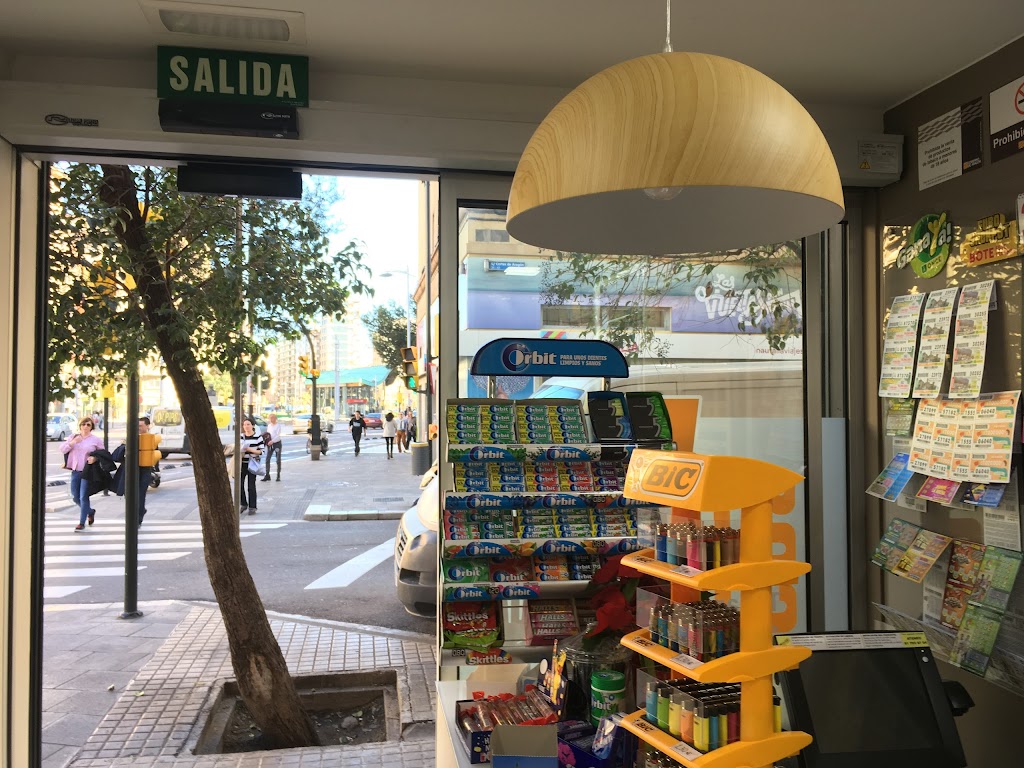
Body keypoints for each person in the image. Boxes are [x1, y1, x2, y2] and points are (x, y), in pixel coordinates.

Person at [113, 416, 161, 526]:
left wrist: (155, 470)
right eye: (137, 425)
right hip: (130, 470)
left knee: (140, 494)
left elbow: (154, 455)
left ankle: (137, 519)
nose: (138, 428)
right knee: (128, 494)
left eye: (141, 425)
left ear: (147, 426)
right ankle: (137, 512)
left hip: (144, 471)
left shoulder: (151, 439)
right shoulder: (130, 437)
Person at [61, 417, 105, 531]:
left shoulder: (96, 440)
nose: (85, 427)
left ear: (91, 427)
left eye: (88, 425)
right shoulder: (73, 437)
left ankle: (81, 522)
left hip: (88, 471)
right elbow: (63, 449)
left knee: (83, 497)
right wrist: (73, 442)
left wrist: (95, 458)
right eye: (83, 424)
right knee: (75, 497)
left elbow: (103, 454)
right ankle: (90, 511)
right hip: (75, 470)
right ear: (80, 426)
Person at [239, 417, 263, 515]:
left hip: (252, 463)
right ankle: (243, 504)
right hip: (242, 463)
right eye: (244, 425)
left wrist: (250, 449)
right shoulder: (241, 436)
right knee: (239, 485)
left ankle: (252, 507)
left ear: (252, 425)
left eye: (248, 424)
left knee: (251, 485)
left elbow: (261, 451)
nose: (246, 426)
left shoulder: (258, 437)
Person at [262, 413, 283, 482]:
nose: (271, 419)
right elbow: (268, 434)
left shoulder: (278, 426)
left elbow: (278, 435)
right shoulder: (269, 426)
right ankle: (267, 475)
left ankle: (278, 475)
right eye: (270, 418)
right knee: (267, 459)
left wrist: (272, 441)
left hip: (277, 444)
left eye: (273, 418)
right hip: (270, 444)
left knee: (278, 459)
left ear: (275, 418)